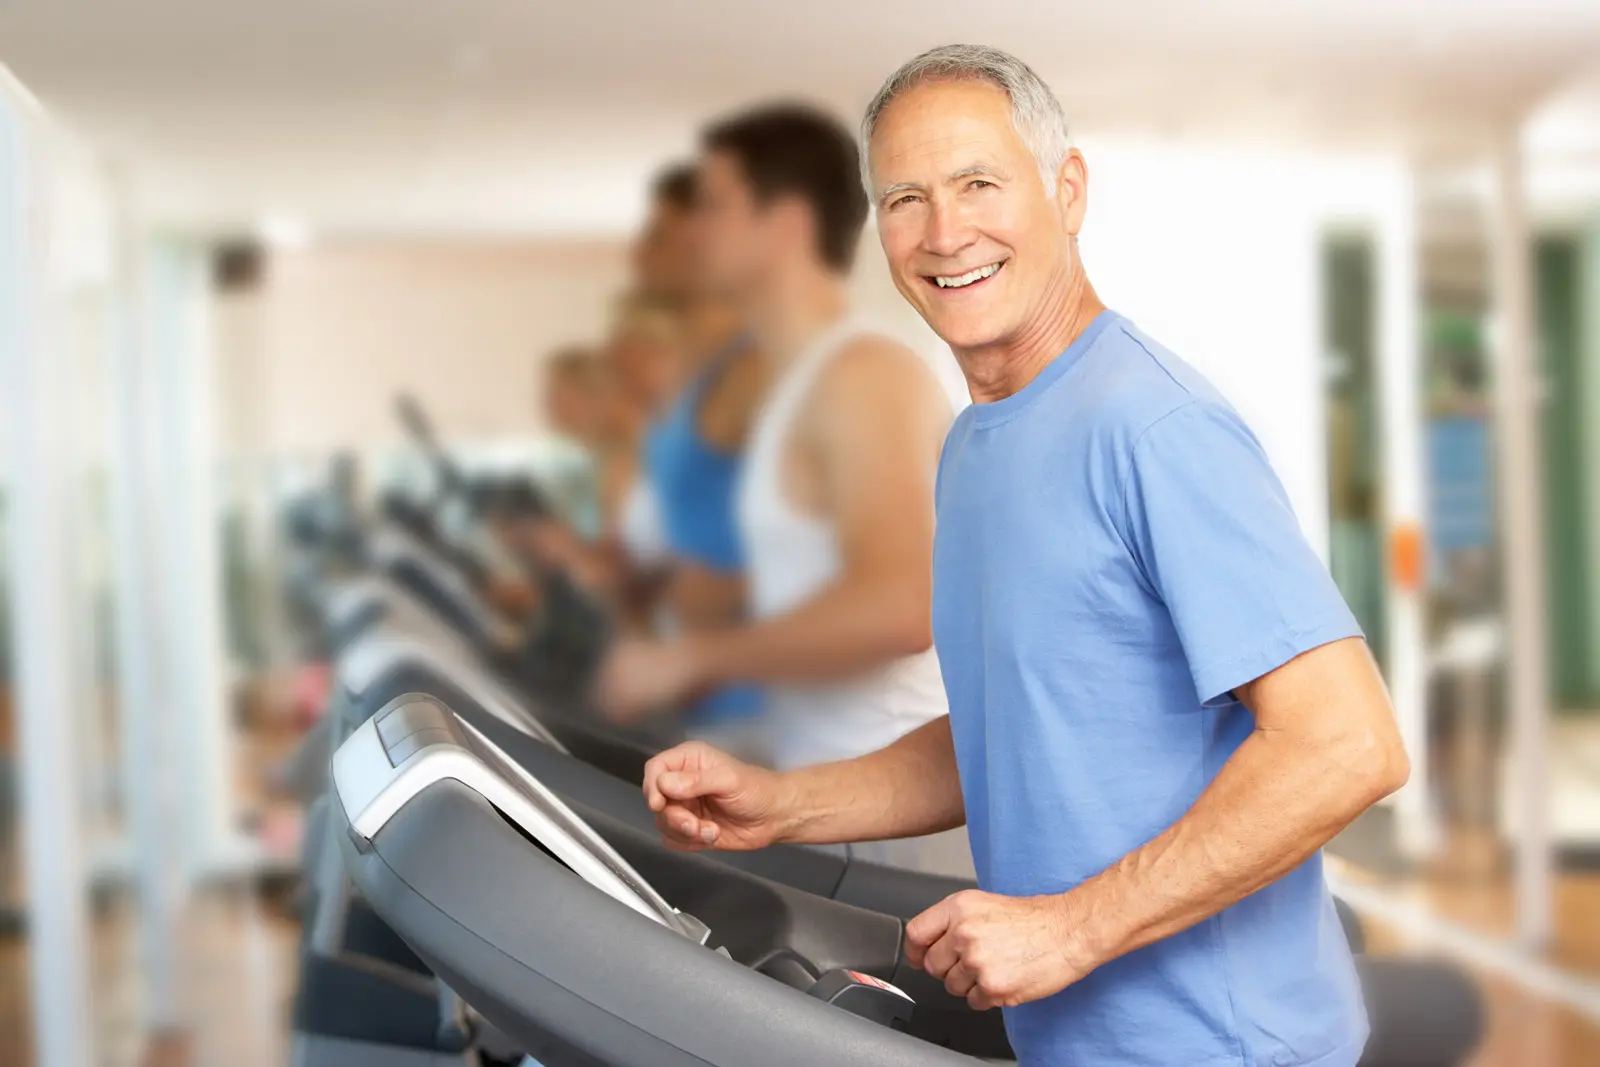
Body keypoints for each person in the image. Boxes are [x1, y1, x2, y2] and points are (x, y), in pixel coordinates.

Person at [635, 45, 1410, 1067]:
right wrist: (788, 802)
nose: (944, 231)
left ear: (1067, 190)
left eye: (977, 183)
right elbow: (1024, 719)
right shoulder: (978, 444)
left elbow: (1347, 742)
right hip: (1071, 1036)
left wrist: (1069, 927)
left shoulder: (1152, 427)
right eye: (905, 197)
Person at [597, 104, 970, 874]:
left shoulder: (862, 374)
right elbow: (823, 579)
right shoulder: (795, 387)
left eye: (715, 205)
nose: (692, 231)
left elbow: (902, 605)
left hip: (905, 823)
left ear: (787, 223)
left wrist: (698, 657)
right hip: (832, 805)